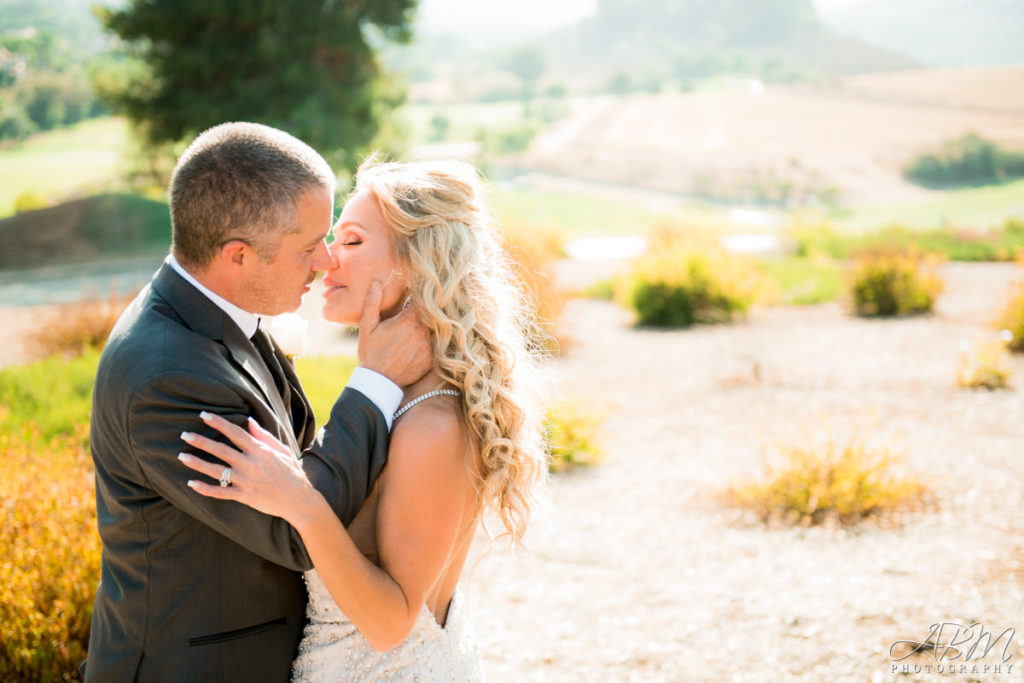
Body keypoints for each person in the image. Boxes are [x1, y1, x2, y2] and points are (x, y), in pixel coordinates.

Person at [84, 123, 432, 682]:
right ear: (238, 256)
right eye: (308, 246)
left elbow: (294, 461)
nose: (325, 261)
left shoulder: (215, 315)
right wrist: (376, 381)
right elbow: (295, 529)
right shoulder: (168, 376)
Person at [178, 158, 548, 680]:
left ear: (420, 263)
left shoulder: (431, 426)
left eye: (351, 242)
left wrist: (301, 502)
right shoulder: (398, 397)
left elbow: (390, 624)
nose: (328, 260)